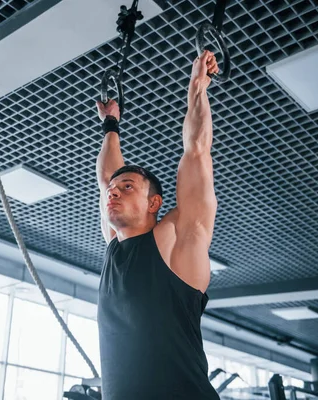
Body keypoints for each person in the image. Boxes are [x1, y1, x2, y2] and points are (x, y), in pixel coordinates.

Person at [95, 50, 221, 399]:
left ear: (154, 204)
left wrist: (197, 87)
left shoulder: (176, 240)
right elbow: (107, 175)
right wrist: (110, 125)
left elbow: (196, 151)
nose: (113, 193)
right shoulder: (114, 247)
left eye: (128, 187)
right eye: (113, 191)